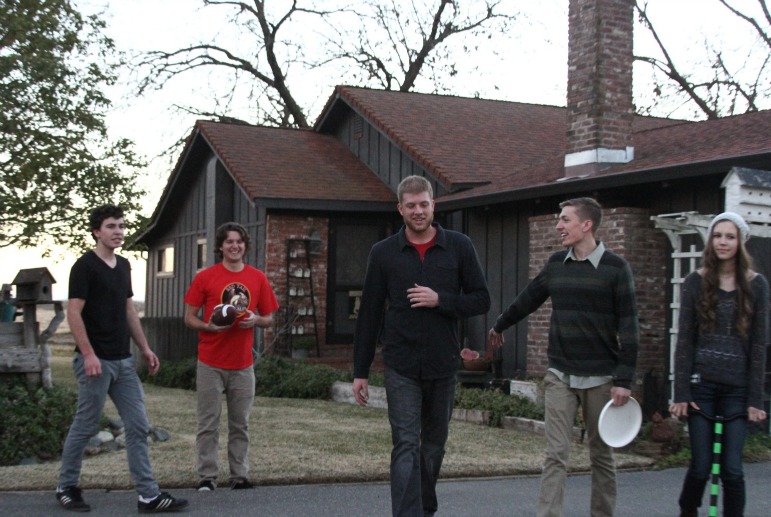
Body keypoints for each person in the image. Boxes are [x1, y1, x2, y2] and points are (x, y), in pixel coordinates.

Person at [488, 197, 639, 517]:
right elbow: (528, 298)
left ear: (587, 225)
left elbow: (629, 327)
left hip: (602, 378)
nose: (559, 226)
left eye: (565, 220)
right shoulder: (557, 264)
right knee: (556, 454)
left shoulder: (616, 269)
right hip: (560, 374)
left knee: (601, 456)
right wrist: (500, 324)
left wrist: (624, 379)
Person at [352, 175, 491, 517]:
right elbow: (369, 313)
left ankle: (424, 508)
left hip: (443, 364)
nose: (418, 211)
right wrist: (360, 371)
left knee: (433, 447)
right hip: (401, 364)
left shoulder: (459, 246)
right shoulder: (383, 253)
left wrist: (439, 300)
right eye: (411, 205)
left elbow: (481, 300)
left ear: (434, 205)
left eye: (423, 204)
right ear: (400, 208)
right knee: (405, 445)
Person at [56, 205, 188, 513]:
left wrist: (145, 348)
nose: (119, 232)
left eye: (122, 226)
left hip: (124, 362)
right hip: (95, 363)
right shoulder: (84, 266)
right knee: (86, 424)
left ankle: (148, 496)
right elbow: (73, 312)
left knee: (138, 425)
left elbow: (129, 310)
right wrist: (88, 354)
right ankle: (67, 486)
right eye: (112, 226)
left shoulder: (124, 265)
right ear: (96, 231)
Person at [668, 212, 769, 517]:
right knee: (700, 467)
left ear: (741, 242)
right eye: (718, 236)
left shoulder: (757, 285)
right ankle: (688, 510)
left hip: (737, 391)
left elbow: (758, 346)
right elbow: (684, 340)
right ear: (710, 241)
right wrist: (681, 393)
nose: (723, 242)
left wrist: (755, 399)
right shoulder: (695, 282)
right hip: (702, 387)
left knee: (732, 470)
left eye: (730, 236)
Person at [184, 222, 279, 491]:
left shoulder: (257, 277)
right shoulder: (206, 277)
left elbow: (270, 319)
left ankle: (239, 476)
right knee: (208, 424)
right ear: (220, 247)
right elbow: (189, 318)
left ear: (245, 246)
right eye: (229, 242)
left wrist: (256, 319)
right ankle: (207, 477)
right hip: (210, 362)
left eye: (239, 241)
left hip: (242, 364)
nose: (234, 246)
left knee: (240, 424)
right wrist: (208, 326)